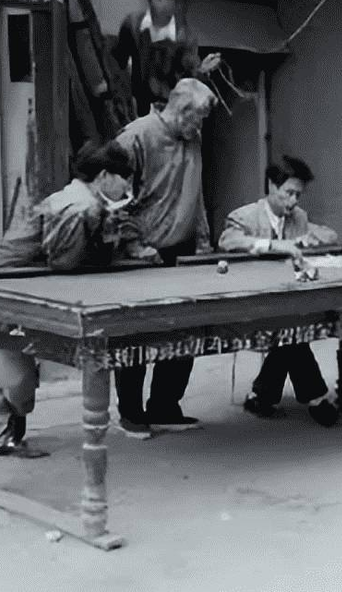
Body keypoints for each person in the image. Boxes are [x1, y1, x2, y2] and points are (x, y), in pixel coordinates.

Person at [0, 140, 151, 457]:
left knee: (13, 376)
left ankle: (4, 436)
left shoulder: (87, 202)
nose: (127, 187)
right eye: (124, 179)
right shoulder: (79, 207)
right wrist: (106, 231)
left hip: (19, 283)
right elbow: (65, 262)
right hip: (0, 283)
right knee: (15, 381)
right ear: (104, 176)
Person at [112, 78, 217, 438]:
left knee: (185, 330)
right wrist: (133, 245)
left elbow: (196, 192)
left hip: (182, 249)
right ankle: (130, 412)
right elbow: (111, 197)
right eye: (200, 117)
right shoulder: (136, 137)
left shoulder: (193, 138)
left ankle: (165, 406)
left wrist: (203, 240)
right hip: (143, 253)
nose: (202, 126)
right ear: (183, 110)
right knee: (136, 333)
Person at [218, 155, 340, 426]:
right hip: (252, 301)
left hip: (289, 300)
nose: (294, 201)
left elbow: (328, 234)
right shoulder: (244, 216)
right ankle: (315, 396)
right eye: (289, 193)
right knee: (291, 332)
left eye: (298, 195)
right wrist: (273, 245)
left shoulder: (299, 217)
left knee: (289, 330)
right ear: (272, 186)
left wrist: (309, 239)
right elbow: (228, 241)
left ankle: (263, 395)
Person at [113, 0, 222, 117]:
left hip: (167, 109)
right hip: (136, 103)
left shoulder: (184, 38)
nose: (164, 4)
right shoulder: (133, 24)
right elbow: (118, 60)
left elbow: (189, 77)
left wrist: (203, 70)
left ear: (176, 2)